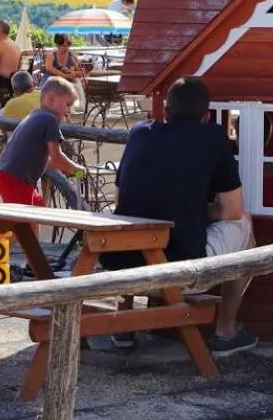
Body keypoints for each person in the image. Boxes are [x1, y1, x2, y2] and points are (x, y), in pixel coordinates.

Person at [102, 77, 257, 356]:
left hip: (122, 267)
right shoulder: (213, 136)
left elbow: (119, 199)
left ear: (164, 109)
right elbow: (231, 210)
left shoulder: (138, 133)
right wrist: (197, 211)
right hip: (181, 268)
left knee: (132, 224)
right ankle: (226, 331)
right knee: (244, 224)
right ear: (206, 116)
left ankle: (123, 326)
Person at [0, 77, 86, 205]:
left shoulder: (35, 115)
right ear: (51, 99)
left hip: (7, 173)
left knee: (37, 209)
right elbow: (57, 157)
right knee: (26, 222)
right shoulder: (50, 120)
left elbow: (47, 161)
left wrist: (67, 167)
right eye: (67, 105)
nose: (69, 111)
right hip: (16, 178)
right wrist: (76, 168)